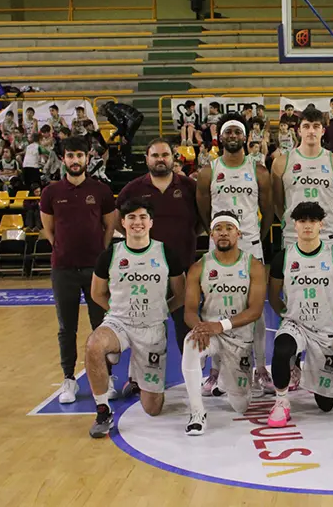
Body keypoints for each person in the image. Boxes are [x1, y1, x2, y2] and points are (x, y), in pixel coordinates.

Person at [86, 198, 187, 438]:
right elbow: (97, 293)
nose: (137, 222)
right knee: (93, 345)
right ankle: (103, 410)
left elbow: (182, 294)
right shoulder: (111, 254)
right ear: (123, 222)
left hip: (152, 328)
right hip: (119, 323)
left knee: (153, 408)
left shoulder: (165, 252)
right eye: (131, 218)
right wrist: (118, 310)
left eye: (142, 217)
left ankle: (136, 377)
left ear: (151, 222)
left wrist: (161, 310)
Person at [196, 117, 274, 394]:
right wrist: (217, 237)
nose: (232, 135)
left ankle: (261, 369)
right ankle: (216, 371)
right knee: (215, 307)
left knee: (257, 311)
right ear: (221, 137)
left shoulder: (259, 170)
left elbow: (268, 209)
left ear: (245, 137)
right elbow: (203, 210)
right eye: (227, 130)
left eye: (236, 131)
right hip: (218, 244)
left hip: (251, 243)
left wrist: (254, 238)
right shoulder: (209, 171)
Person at [117, 138, 200, 396]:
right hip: (145, 271)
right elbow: (123, 223)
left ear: (173, 158)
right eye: (155, 155)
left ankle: (192, 377)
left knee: (184, 326)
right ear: (147, 159)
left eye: (165, 154)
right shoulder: (133, 189)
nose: (160, 159)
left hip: (182, 269)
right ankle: (136, 377)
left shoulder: (188, 187)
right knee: (142, 327)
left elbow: (198, 223)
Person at [40, 135, 119, 403]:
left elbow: (110, 226)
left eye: (80, 156)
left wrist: (101, 255)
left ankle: (106, 377)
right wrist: (62, 249)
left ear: (88, 158)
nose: (75, 160)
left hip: (96, 270)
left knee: (102, 324)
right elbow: (49, 230)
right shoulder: (51, 192)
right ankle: (68, 380)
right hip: (63, 269)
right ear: (64, 159)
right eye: (70, 155)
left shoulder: (101, 191)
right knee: (67, 327)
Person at [181, 211, 267, 435]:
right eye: (218, 229)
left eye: (229, 228)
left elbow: (255, 310)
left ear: (238, 233)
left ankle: (225, 381)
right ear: (211, 234)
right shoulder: (199, 267)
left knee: (241, 406)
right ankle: (197, 412)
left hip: (238, 336)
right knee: (190, 345)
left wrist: (221, 325)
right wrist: (199, 327)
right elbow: (189, 310)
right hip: (211, 334)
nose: (224, 233)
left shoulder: (253, 265)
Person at [266, 202, 333, 428]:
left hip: (324, 329)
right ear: (294, 224)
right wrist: (286, 314)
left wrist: (326, 310)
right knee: (282, 349)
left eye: (312, 221)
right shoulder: (283, 257)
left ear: (321, 224)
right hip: (296, 324)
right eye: (302, 221)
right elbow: (274, 295)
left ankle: (302, 365)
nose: (307, 226)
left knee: (325, 405)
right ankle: (281, 401)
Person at [272, 107, 333, 251]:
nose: (311, 131)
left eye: (316, 126)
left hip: (326, 235)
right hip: (293, 235)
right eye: (306, 126)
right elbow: (277, 203)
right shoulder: (281, 162)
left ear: (323, 131)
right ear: (299, 131)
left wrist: (326, 225)